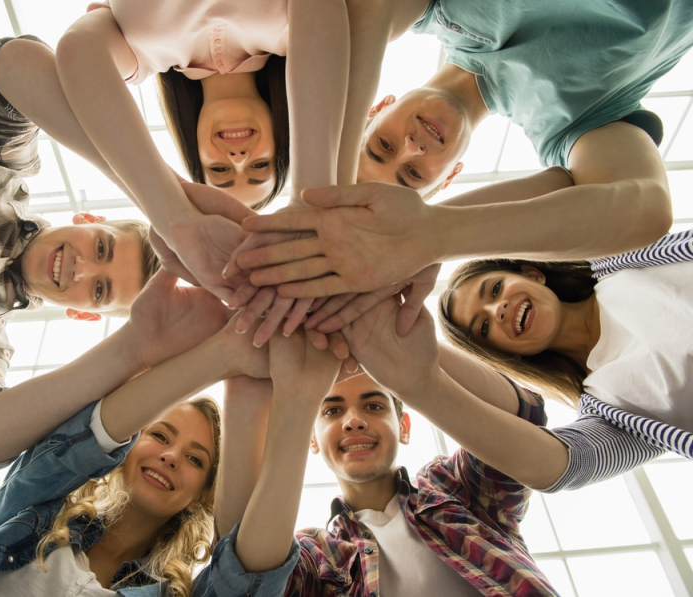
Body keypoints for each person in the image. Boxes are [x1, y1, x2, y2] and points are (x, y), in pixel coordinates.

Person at [0, 37, 253, 477]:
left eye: (99, 290)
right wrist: (171, 204)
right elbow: (9, 63)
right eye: (101, 246)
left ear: (83, 316)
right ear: (88, 217)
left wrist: (133, 349)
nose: (82, 267)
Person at [230, 0, 693, 334]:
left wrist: (317, 194)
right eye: (414, 175)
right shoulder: (570, 126)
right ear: (449, 177)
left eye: (381, 146)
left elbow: (358, 16)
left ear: (377, 106)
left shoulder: (430, 10)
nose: (410, 147)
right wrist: (432, 238)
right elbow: (644, 209)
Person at [0, 313, 306, 596]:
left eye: (195, 459)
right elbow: (79, 440)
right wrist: (223, 355)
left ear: (201, 495)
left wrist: (251, 389)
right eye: (159, 435)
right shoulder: (29, 518)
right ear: (129, 446)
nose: (171, 456)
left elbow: (243, 580)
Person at [52, 0, 350, 310]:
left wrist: (176, 220)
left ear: (195, 152)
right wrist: (311, 205)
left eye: (219, 170)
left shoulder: (140, 55)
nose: (237, 157)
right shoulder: (298, 32)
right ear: (285, 137)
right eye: (259, 165)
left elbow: (76, 50)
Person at [219, 326, 558, 592]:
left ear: (404, 427)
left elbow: (523, 421)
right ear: (313, 440)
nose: (353, 420)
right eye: (332, 410)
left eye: (374, 405)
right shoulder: (319, 556)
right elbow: (241, 572)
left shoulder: (458, 489)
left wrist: (406, 345)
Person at [436, 228, 693, 491]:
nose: (497, 310)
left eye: (495, 289)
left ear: (532, 274)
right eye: (484, 327)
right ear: (504, 353)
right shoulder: (609, 412)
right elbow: (559, 467)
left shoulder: (623, 258)